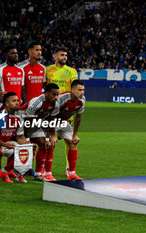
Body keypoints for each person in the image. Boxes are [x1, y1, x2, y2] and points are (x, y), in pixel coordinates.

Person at [46, 46, 78, 175]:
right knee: (48, 139)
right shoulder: (48, 70)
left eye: (66, 55)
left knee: (68, 139)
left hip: (65, 110)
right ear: (55, 56)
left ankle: (69, 168)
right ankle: (45, 169)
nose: (64, 57)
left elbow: (75, 87)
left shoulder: (71, 71)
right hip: (50, 109)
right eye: (62, 55)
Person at [23, 83, 60, 181]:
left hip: (36, 124)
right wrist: (27, 139)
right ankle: (13, 171)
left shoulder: (55, 104)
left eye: (58, 95)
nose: (56, 97)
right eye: (54, 94)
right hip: (22, 123)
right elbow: (27, 121)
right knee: (21, 147)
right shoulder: (36, 102)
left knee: (44, 144)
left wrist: (49, 137)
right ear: (46, 93)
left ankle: (38, 174)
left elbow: (51, 121)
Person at [0, 92, 30, 184]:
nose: (17, 102)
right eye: (14, 101)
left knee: (25, 149)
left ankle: (16, 174)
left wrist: (27, 144)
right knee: (1, 151)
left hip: (7, 144)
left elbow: (18, 137)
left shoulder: (19, 118)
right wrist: (3, 144)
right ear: (6, 104)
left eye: (18, 100)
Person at [53, 80, 85, 180]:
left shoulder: (82, 100)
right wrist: (53, 134)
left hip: (63, 122)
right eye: (79, 90)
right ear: (72, 90)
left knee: (73, 142)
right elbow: (51, 115)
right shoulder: (62, 99)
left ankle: (72, 173)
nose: (82, 92)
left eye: (83, 90)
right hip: (50, 121)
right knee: (49, 143)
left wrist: (75, 134)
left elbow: (78, 117)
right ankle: (46, 172)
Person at [0, 45, 26, 110]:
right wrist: (5, 102)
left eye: (16, 53)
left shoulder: (21, 70)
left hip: (17, 106)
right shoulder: (0, 69)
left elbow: (22, 89)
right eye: (13, 53)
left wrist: (25, 102)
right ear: (6, 55)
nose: (16, 55)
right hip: (3, 107)